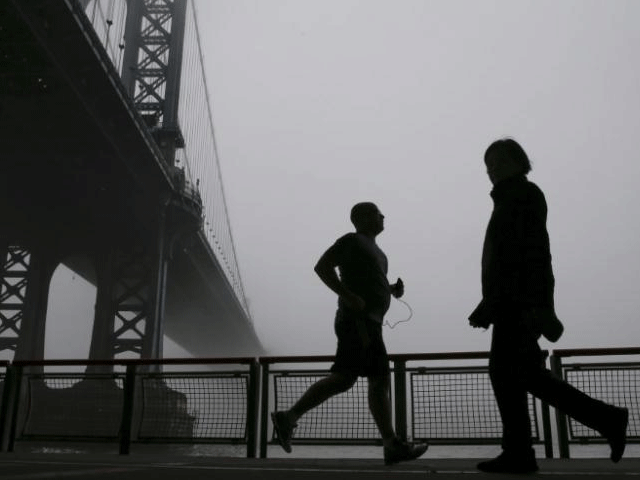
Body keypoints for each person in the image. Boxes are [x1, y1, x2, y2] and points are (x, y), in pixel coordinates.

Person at [469, 138, 629, 474]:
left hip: (518, 303)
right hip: (516, 301)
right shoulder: (514, 198)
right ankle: (525, 450)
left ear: (519, 161)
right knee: (520, 374)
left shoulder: (520, 196)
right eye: (488, 165)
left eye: (498, 161)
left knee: (509, 373)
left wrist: (499, 302)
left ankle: (524, 451)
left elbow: (526, 256)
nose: (491, 170)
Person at [271, 202, 428, 465]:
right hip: (358, 321)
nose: (383, 216)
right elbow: (322, 266)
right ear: (364, 218)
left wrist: (391, 290)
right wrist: (347, 296)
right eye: (378, 213)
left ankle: (289, 417)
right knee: (377, 378)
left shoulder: (379, 253)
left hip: (369, 323)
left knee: (347, 378)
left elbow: (368, 283)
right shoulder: (351, 241)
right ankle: (392, 445)